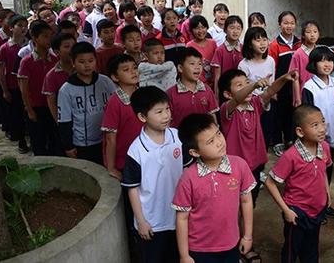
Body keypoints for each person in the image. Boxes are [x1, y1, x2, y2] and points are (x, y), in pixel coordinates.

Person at [172, 114, 256, 262]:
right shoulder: (188, 178)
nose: (219, 142)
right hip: (199, 248)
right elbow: (182, 218)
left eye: (218, 133)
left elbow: (246, 202)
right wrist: (184, 255)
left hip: (231, 243)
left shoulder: (239, 165)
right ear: (194, 152)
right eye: (210, 141)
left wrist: (247, 236)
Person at [218, 68, 298, 206]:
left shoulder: (255, 104)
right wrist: (253, 86)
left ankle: (245, 223)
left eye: (247, 82)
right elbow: (237, 98)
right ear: (227, 94)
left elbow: (270, 91)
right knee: (233, 202)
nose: (246, 87)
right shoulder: (227, 109)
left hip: (254, 165)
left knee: (251, 200)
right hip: (233, 166)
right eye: (240, 85)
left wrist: (284, 78)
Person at [265, 104, 332, 263]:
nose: (322, 128)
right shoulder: (291, 156)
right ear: (300, 131)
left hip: (317, 208)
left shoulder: (324, 147)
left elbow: (323, 173)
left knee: (311, 248)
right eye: (315, 125)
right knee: (291, 250)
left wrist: (327, 194)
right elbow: (270, 182)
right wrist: (286, 210)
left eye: (322, 122)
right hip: (297, 212)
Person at [122, 86, 182, 263]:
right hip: (152, 221)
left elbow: (187, 172)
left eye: (167, 109)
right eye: (159, 112)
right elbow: (132, 189)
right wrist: (141, 221)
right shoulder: (136, 150)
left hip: (178, 216)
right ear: (142, 117)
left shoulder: (177, 137)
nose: (166, 115)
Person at [58, 42, 116, 164]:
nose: (87, 65)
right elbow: (64, 121)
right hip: (82, 144)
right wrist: (68, 146)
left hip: (106, 140)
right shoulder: (66, 90)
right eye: (82, 62)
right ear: (73, 63)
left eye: (90, 61)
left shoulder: (105, 82)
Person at [301, 46, 334, 218]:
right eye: (322, 60)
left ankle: (325, 202)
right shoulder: (309, 87)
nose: (327, 64)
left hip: (331, 135)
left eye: (330, 60)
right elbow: (307, 115)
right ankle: (315, 206)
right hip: (316, 138)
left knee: (328, 169)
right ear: (314, 64)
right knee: (315, 172)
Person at [17, 20, 61, 156]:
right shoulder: (27, 61)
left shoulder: (54, 60)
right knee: (38, 141)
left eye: (50, 36)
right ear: (35, 38)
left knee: (54, 139)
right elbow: (23, 88)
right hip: (36, 106)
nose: (49, 40)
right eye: (45, 36)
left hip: (51, 106)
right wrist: (29, 109)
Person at [102, 53, 142, 180]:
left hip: (144, 157)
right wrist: (111, 167)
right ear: (115, 77)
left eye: (134, 67)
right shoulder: (115, 102)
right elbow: (110, 138)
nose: (133, 72)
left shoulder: (143, 95)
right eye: (126, 70)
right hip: (124, 161)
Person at [0, 15, 30, 153]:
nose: (23, 28)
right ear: (11, 28)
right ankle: (21, 140)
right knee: (17, 115)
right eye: (19, 25)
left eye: (25, 25)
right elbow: (1, 71)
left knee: (29, 113)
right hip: (14, 87)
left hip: (28, 87)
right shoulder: (5, 48)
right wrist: (5, 90)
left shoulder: (30, 45)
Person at [269, 11, 301, 157]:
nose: (289, 26)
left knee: (291, 113)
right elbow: (272, 68)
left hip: (294, 86)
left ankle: (289, 139)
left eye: (292, 23)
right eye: (285, 23)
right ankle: (277, 142)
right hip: (279, 86)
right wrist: (273, 89)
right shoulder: (274, 45)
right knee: (277, 114)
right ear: (279, 24)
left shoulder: (299, 43)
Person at [167, 47, 219, 129]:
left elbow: (212, 117)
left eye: (200, 64)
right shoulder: (170, 94)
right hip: (180, 139)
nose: (197, 67)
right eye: (192, 63)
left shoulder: (207, 90)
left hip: (204, 138)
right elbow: (167, 121)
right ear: (180, 68)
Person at [42, 33, 76, 124]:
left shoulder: (83, 70)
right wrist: (59, 122)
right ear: (57, 52)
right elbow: (52, 102)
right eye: (67, 46)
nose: (72, 50)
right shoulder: (51, 76)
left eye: (74, 46)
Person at [290, 20, 320, 107]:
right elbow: (294, 78)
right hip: (304, 93)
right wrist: (298, 98)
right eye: (308, 32)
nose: (312, 34)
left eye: (315, 31)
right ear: (303, 35)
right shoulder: (298, 54)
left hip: (318, 91)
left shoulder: (320, 52)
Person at [211, 15, 243, 96]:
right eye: (232, 28)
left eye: (238, 28)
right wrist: (216, 96)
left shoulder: (243, 49)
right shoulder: (220, 50)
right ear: (225, 30)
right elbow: (217, 77)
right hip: (225, 91)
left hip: (241, 90)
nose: (235, 31)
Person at [238, 27, 275, 93]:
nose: (262, 43)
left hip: (267, 100)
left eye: (264, 39)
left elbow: (272, 83)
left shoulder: (270, 60)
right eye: (258, 40)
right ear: (249, 44)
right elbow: (242, 90)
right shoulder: (244, 65)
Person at [186, 15, 216, 86]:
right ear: (191, 30)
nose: (200, 31)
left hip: (214, 82)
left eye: (203, 27)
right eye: (197, 28)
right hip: (198, 84)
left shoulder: (213, 43)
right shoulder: (189, 46)